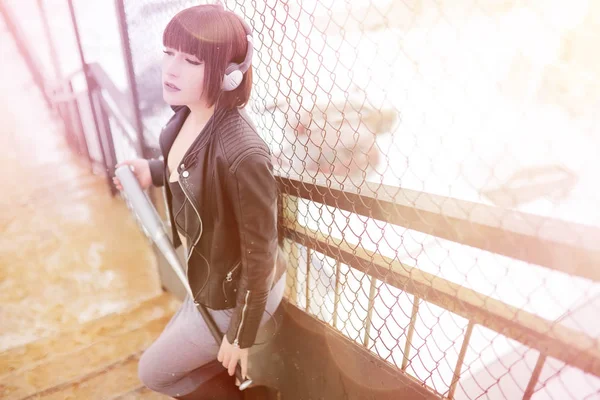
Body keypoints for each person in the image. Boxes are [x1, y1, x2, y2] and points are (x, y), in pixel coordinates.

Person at [112, 4, 286, 399]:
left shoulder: (245, 154)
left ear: (229, 75)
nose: (171, 69)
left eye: (191, 60)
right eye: (169, 53)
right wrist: (153, 171)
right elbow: (191, 166)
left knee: (154, 372)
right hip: (210, 277)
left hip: (236, 293)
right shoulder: (185, 115)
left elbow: (260, 253)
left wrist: (240, 335)